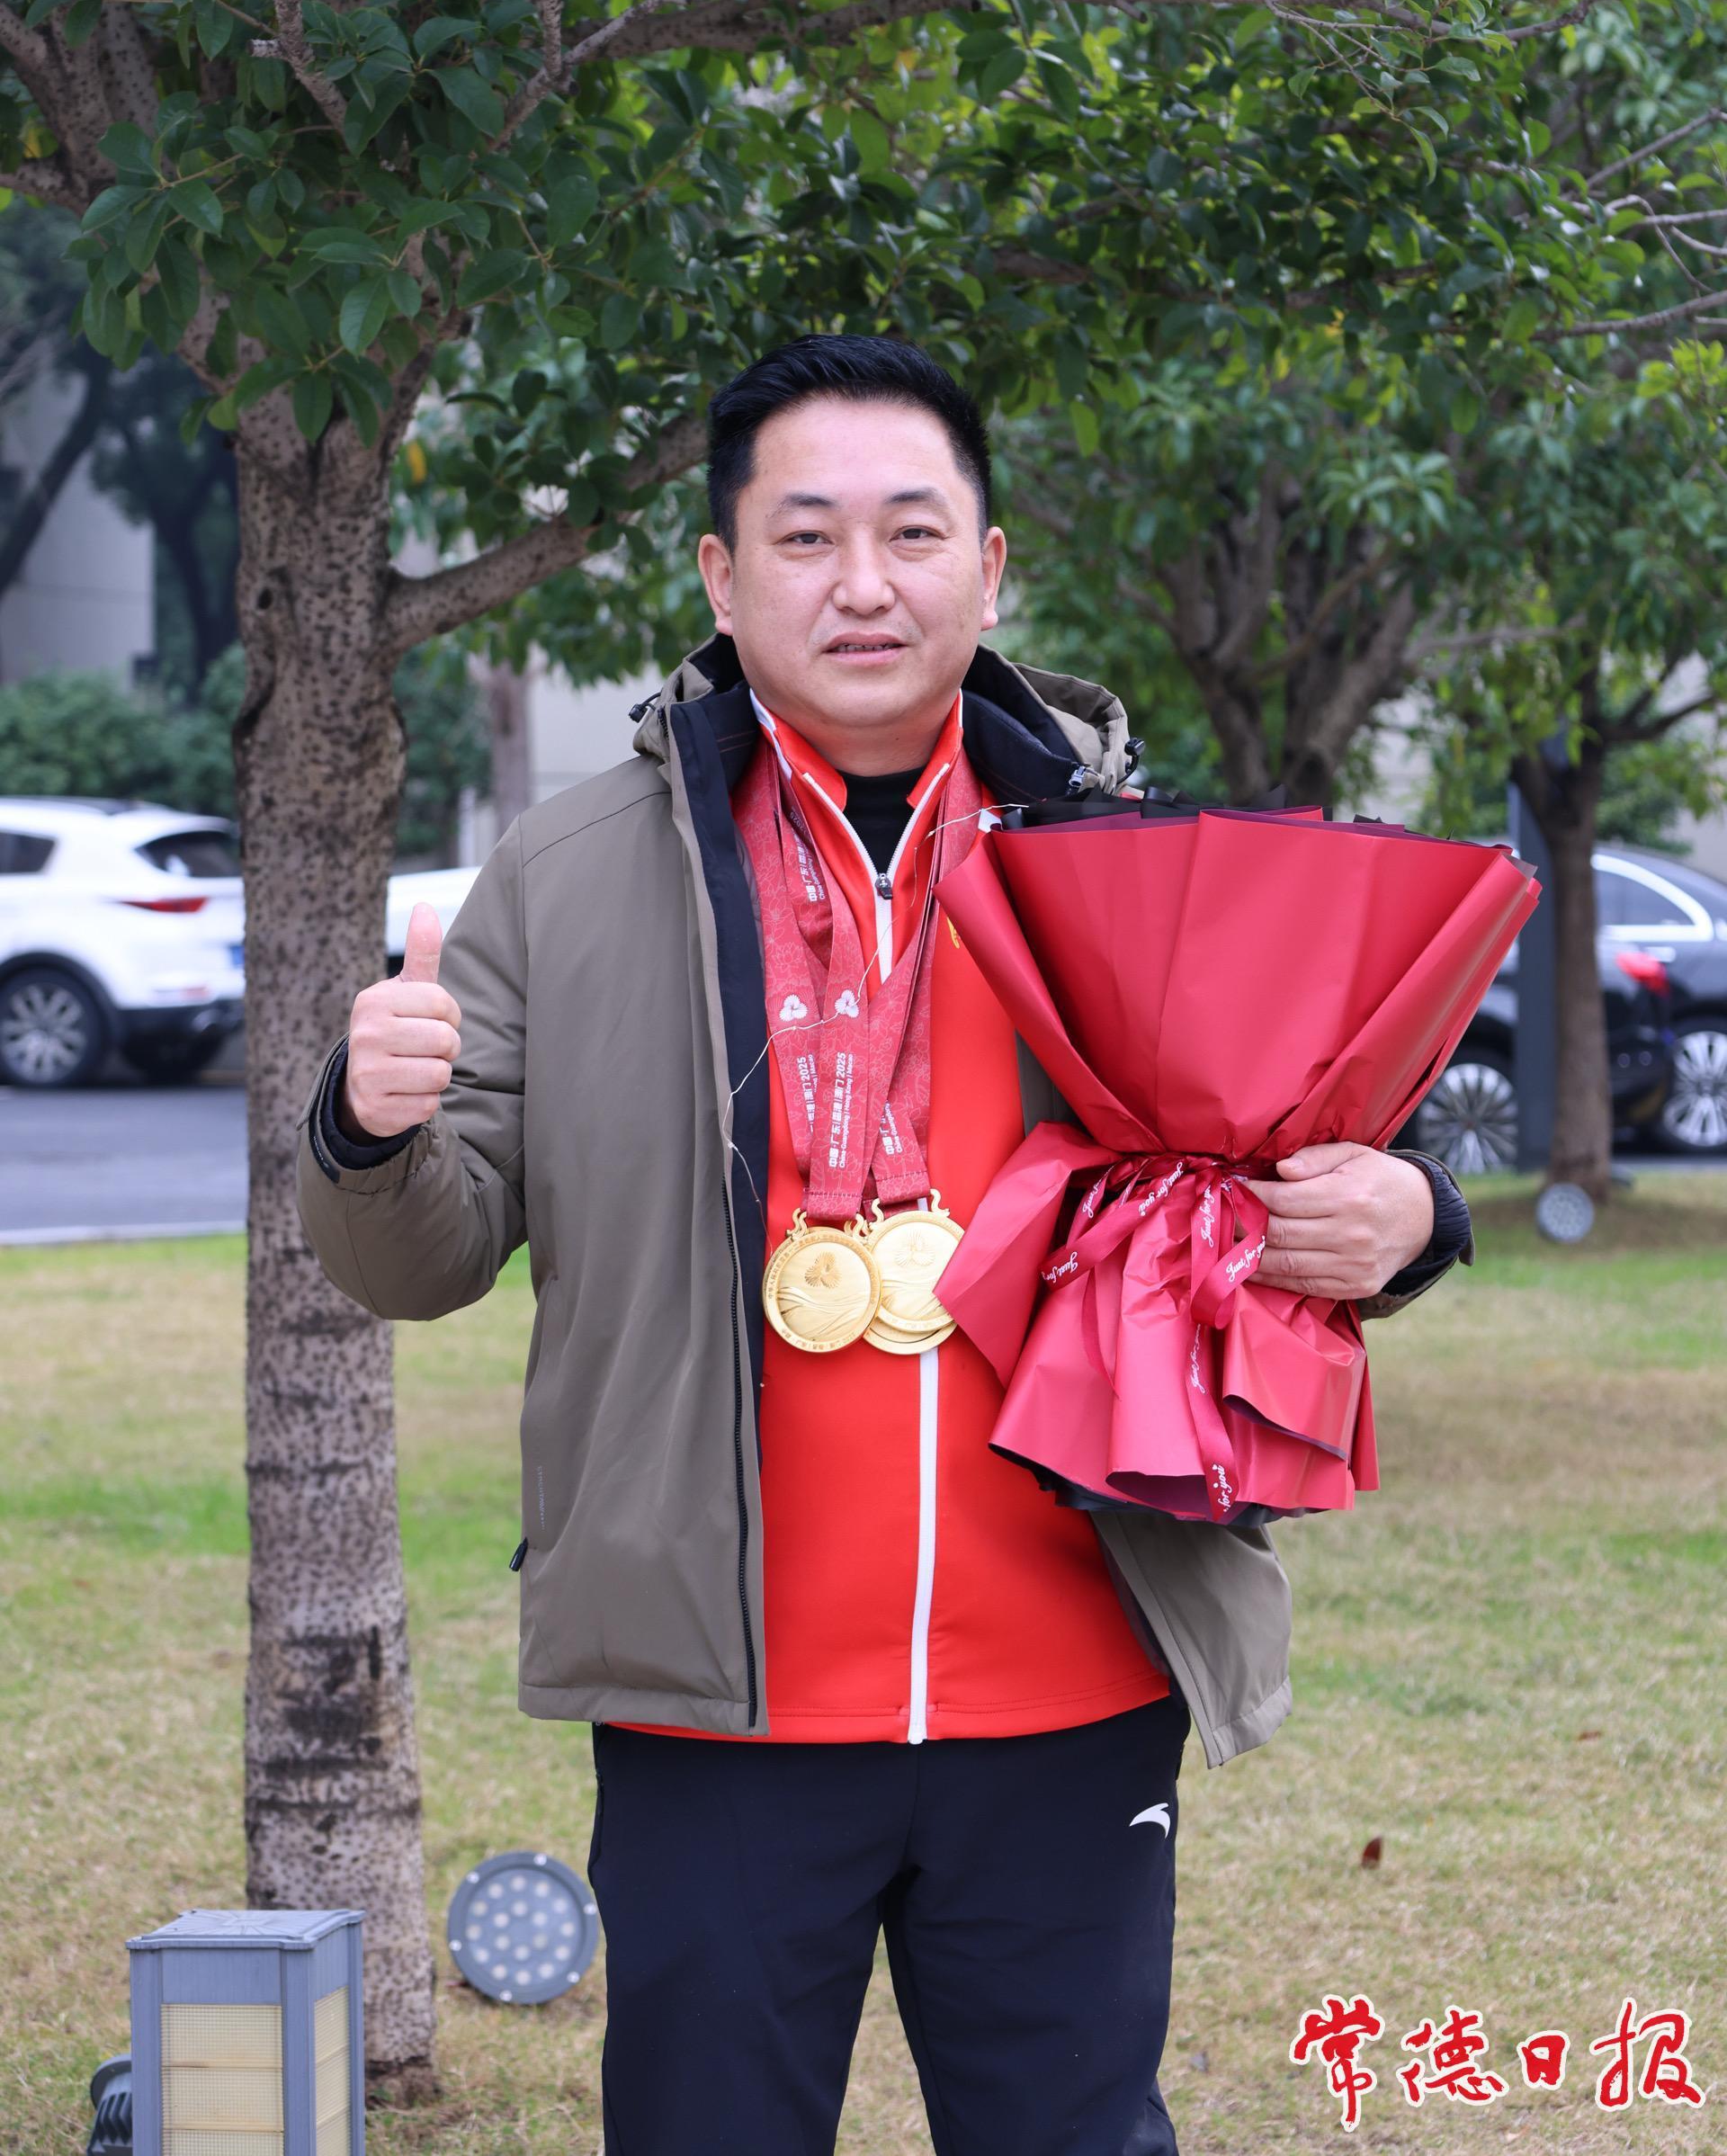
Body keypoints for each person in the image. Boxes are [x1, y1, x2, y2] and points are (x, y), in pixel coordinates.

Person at [297, 335, 1472, 2156]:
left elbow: (1296, 1153)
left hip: (1075, 1677)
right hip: (719, 1703)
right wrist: (371, 1129)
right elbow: (419, 1256)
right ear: (721, 573)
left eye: (914, 532)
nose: (864, 581)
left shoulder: (1127, 857)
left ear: (988, 568)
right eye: (807, 534)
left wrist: (1407, 1212)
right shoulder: (566, 871)